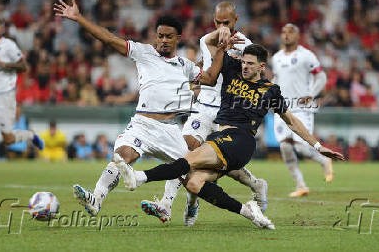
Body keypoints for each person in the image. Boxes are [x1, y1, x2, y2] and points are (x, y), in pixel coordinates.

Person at [117, 43, 345, 229]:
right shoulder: (233, 69)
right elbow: (210, 43)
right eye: (243, 62)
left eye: (250, 64)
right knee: (194, 183)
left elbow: (292, 121)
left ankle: (140, 178)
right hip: (224, 140)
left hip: (241, 140)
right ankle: (249, 212)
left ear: (261, 67)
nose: (245, 66)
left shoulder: (270, 91)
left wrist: (317, 145)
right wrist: (222, 40)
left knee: (188, 160)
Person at [53, 0, 239, 219]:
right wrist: (79, 18)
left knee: (190, 177)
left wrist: (220, 51)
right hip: (142, 124)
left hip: (170, 130)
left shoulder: (185, 65)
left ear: (178, 38)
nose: (163, 40)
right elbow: (109, 38)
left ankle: (190, 205)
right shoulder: (143, 53)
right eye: (160, 35)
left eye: (169, 36)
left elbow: (209, 78)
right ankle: (96, 199)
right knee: (122, 157)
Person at [178, 1, 267, 226]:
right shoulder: (206, 39)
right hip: (203, 106)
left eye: (226, 22)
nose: (222, 26)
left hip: (227, 112)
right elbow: (205, 65)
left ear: (235, 21)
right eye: (218, 22)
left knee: (219, 164)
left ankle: (255, 184)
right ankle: (186, 204)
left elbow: (254, 78)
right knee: (187, 150)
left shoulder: (245, 46)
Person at [0, 17, 44, 188]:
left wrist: (5, 64)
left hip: (4, 96)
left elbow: (23, 67)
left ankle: (30, 135)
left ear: (0, 29)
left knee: (9, 139)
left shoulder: (8, 46)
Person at [270, 23, 332, 197]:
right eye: (284, 31)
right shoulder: (276, 57)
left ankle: (324, 160)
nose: (286, 34)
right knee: (285, 148)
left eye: (291, 31)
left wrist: (311, 94)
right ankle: (300, 185)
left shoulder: (306, 55)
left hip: (302, 108)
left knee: (302, 147)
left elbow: (321, 76)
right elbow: (277, 79)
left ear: (298, 36)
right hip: (282, 108)